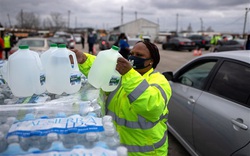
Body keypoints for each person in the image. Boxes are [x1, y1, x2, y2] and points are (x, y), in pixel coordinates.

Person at [71, 41, 172, 156]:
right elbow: (101, 70)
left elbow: (151, 107)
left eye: (139, 55)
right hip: (116, 149)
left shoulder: (158, 80)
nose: (133, 57)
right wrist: (84, 59)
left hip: (146, 152)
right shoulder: (122, 76)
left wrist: (129, 74)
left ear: (151, 61)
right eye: (132, 53)